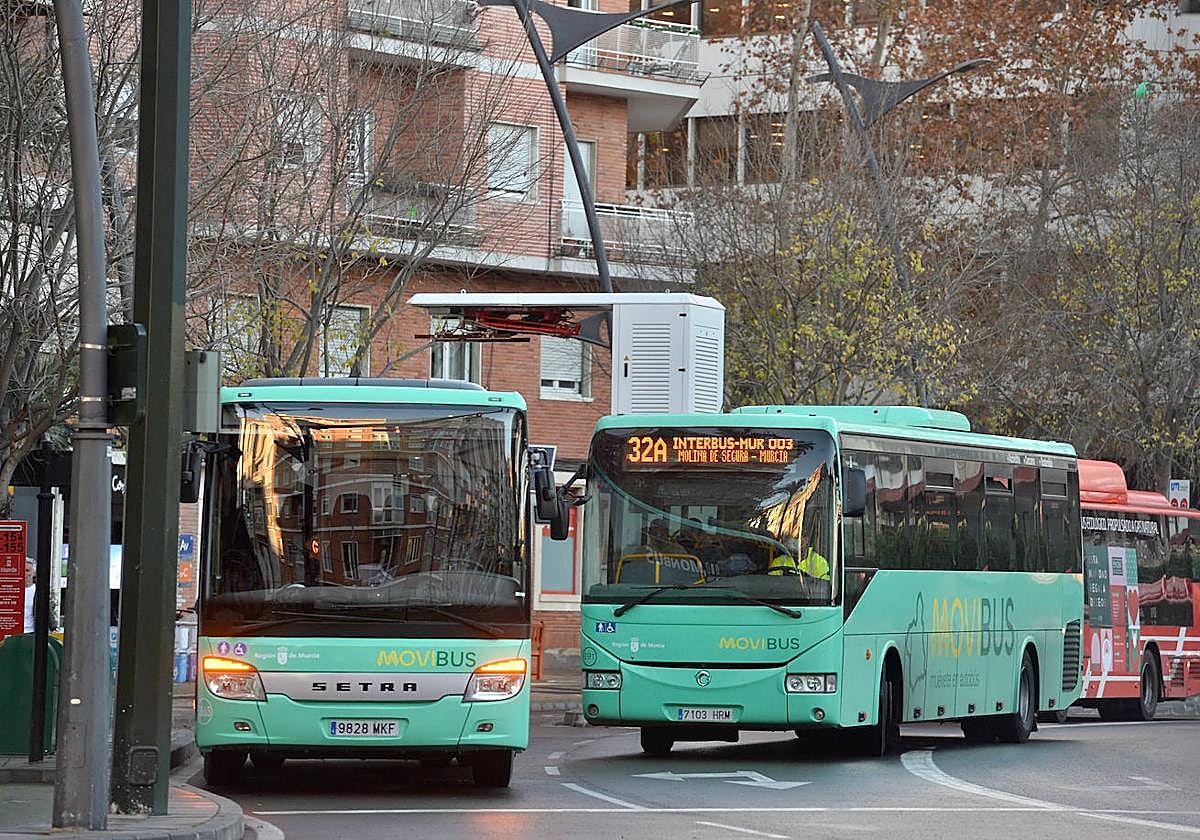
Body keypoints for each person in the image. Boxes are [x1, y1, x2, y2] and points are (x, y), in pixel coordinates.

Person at [23, 558, 35, 634]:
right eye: (22, 570)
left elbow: (46, 609)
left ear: (33, 573)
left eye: (27, 570)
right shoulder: (12, 590)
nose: (25, 573)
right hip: (14, 632)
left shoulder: (38, 591)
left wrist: (53, 627)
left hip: (31, 632)